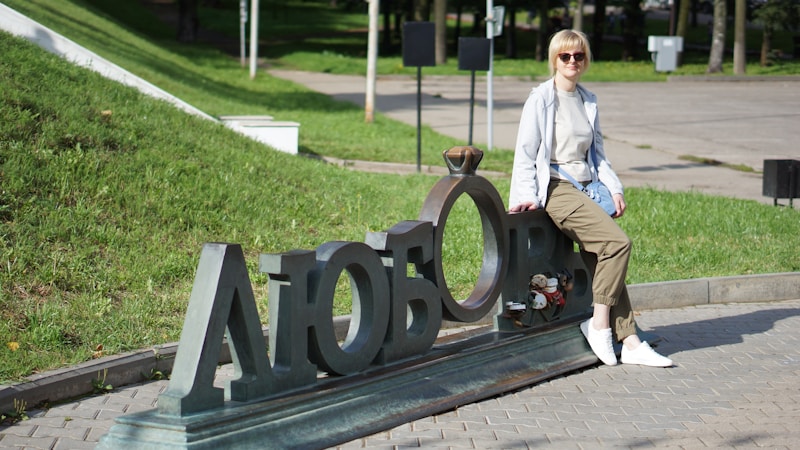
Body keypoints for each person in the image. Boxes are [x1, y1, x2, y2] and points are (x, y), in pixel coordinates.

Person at [508, 29, 672, 368]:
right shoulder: (540, 98)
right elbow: (525, 153)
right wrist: (523, 196)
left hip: (587, 187)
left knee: (603, 255)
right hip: (556, 188)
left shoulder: (587, 100)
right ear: (554, 59)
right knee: (617, 244)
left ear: (586, 60)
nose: (571, 62)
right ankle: (598, 325)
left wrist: (615, 188)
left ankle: (630, 341)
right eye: (564, 56)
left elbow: (598, 155)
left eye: (578, 56)